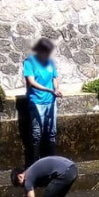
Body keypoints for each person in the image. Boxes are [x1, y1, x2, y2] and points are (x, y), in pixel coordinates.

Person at [23, 38, 65, 166]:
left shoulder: (50, 62)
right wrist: (49, 90)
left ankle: (50, 164)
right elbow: (31, 82)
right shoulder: (29, 62)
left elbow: (54, 78)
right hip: (37, 101)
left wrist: (56, 89)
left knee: (52, 132)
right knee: (37, 133)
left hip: (50, 101)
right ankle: (35, 164)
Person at [12, 156, 78, 197]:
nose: (23, 186)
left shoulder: (27, 178)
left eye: (19, 184)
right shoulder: (32, 171)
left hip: (64, 173)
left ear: (20, 176)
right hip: (72, 168)